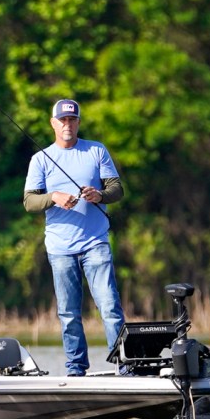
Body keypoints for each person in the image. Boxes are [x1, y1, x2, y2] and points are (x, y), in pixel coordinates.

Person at [23, 98, 126, 376]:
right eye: (62, 120)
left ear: (78, 122)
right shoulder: (40, 159)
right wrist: (54, 197)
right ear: (53, 123)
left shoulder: (96, 150)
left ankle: (124, 364)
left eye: (72, 119)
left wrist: (99, 195)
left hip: (96, 243)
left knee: (109, 305)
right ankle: (76, 368)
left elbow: (117, 189)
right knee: (68, 313)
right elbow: (29, 202)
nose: (67, 124)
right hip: (60, 247)